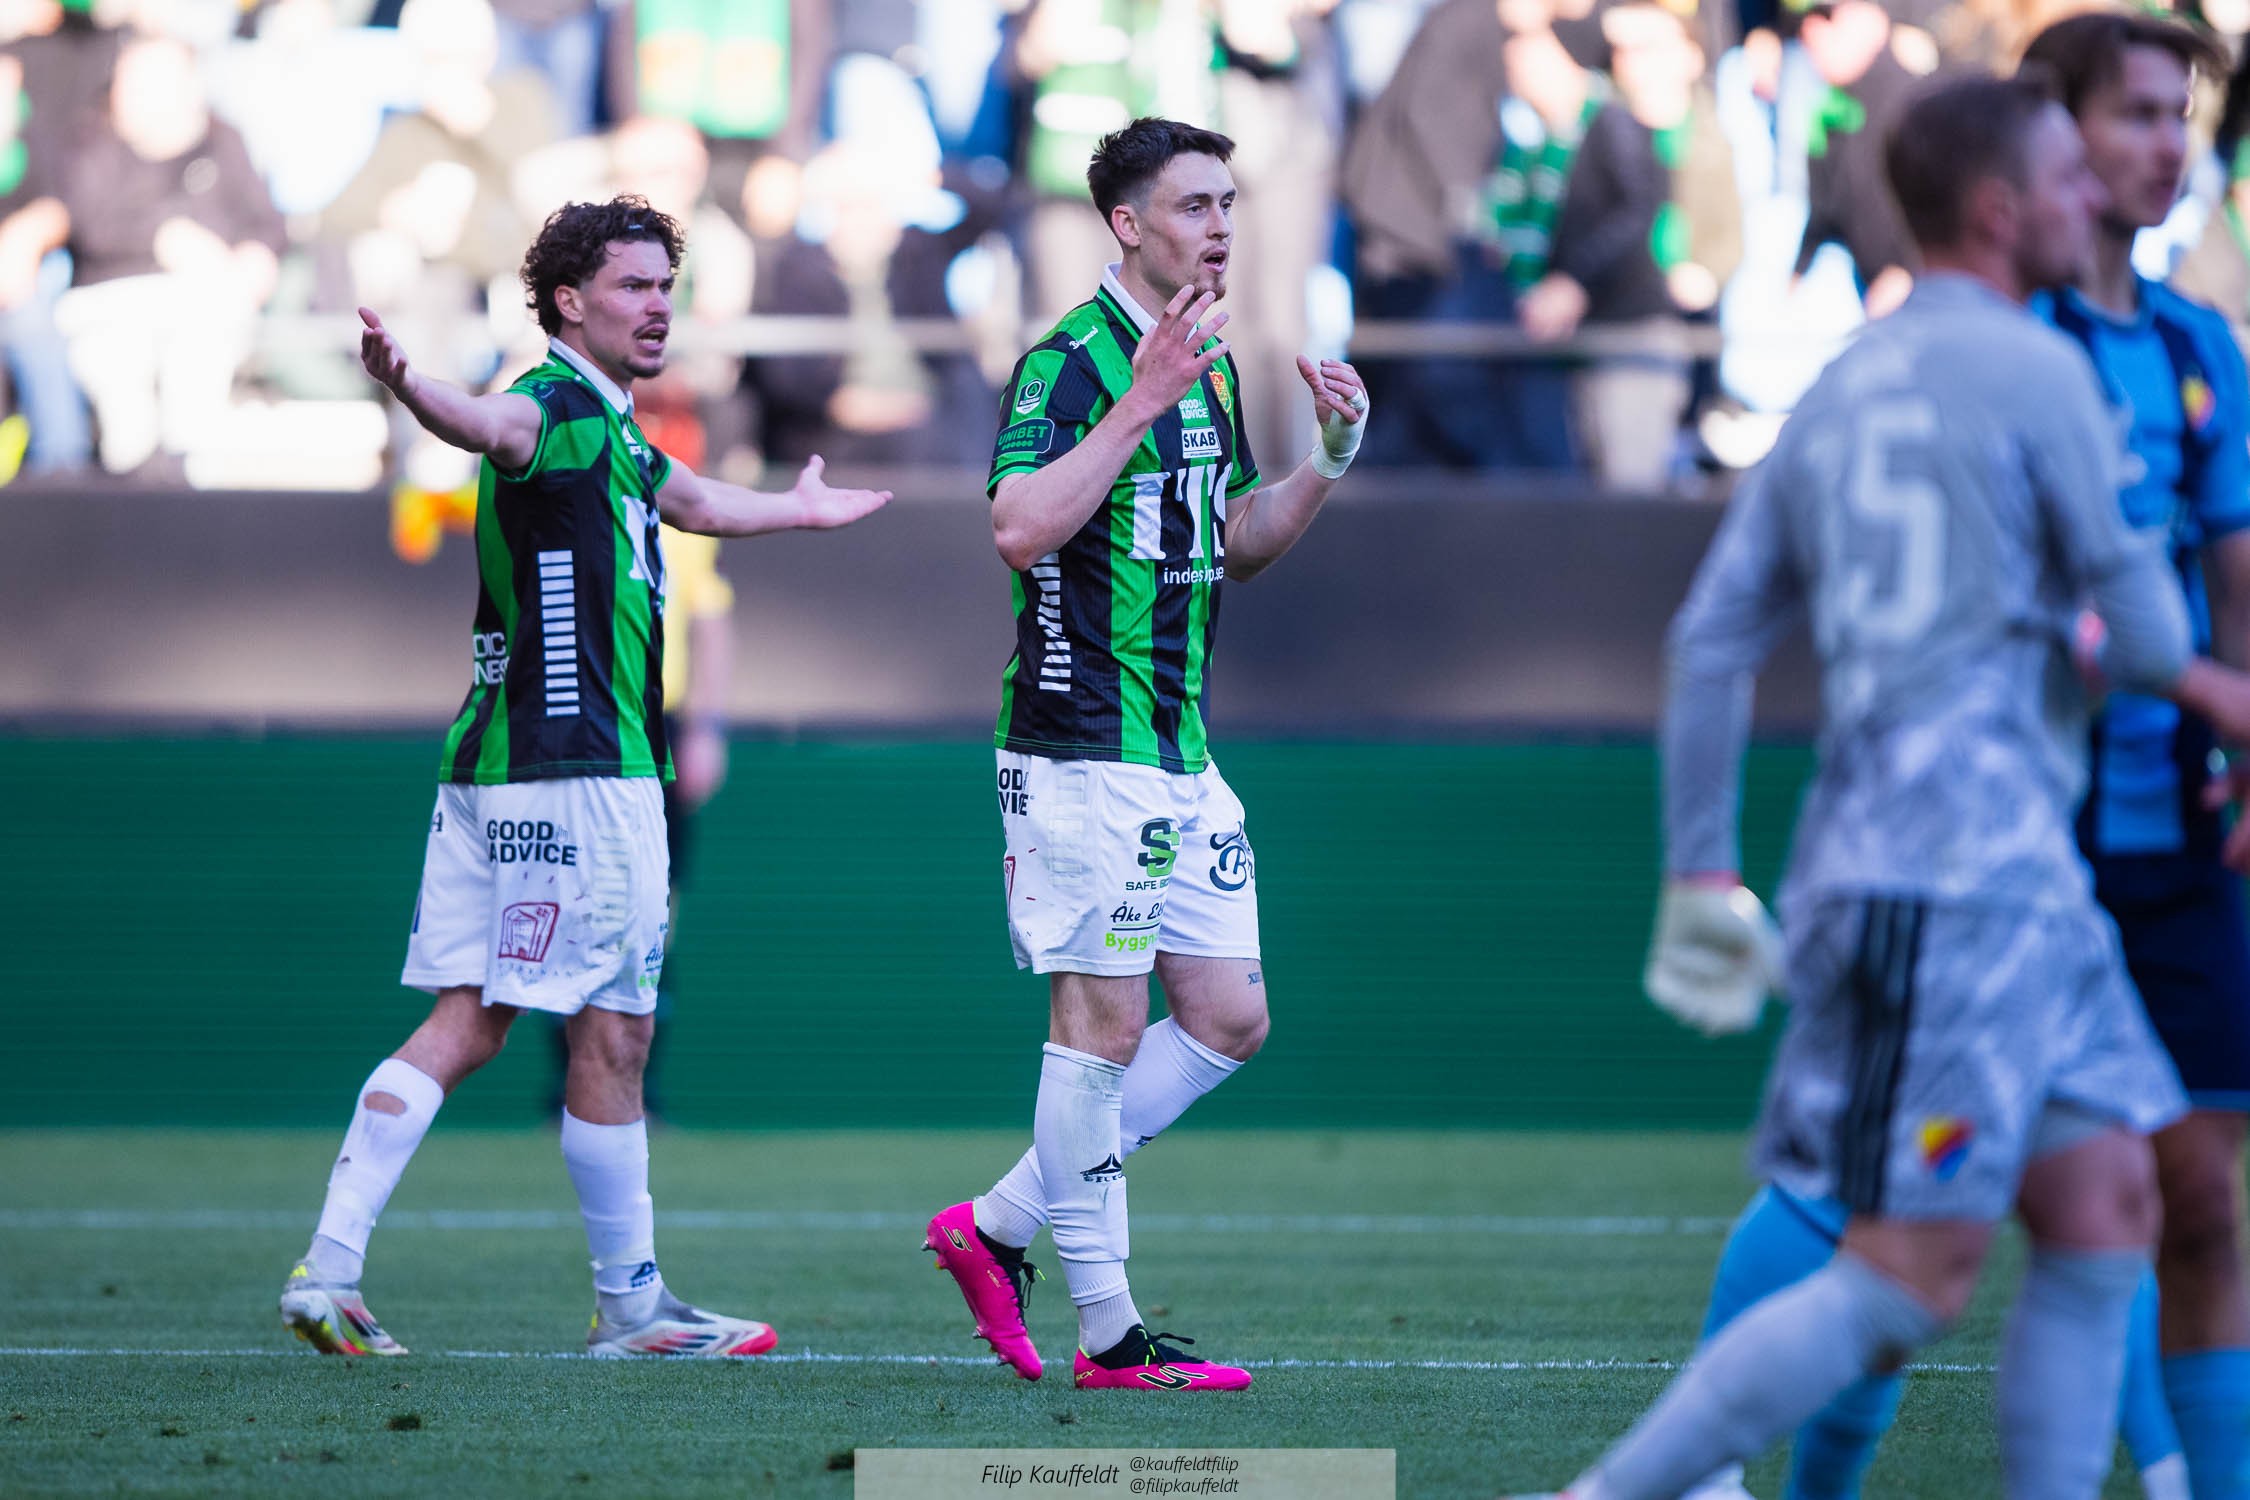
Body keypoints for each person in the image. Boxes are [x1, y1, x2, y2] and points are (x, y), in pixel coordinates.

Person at [1516, 72, 2250, 1499]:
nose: (2091, 198)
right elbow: (2156, 637)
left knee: (2107, 1204)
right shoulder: (2044, 371)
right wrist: (2186, 679)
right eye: (2067, 176)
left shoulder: (1846, 378)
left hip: (1981, 879)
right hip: (1960, 882)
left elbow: (1713, 639)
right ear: (2000, 210)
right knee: (1909, 1273)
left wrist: (1697, 866)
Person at [276, 195, 889, 1359]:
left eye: (665, 286)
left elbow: (691, 500)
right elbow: (488, 425)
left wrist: (799, 514)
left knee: (469, 1020)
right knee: (616, 1035)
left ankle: (329, 1271)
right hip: (586, 772)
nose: (658, 306)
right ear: (568, 300)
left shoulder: (613, 428)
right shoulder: (554, 406)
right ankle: (633, 1307)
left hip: (495, 768)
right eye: (632, 286)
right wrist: (411, 388)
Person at [922, 116, 1368, 1391]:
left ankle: (996, 1226)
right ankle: (1111, 1338)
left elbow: (1234, 542)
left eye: (1228, 203)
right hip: (1081, 748)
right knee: (1101, 1030)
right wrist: (1139, 402)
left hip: (1178, 747)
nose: (1219, 227)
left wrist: (1329, 459)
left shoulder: (1205, 361)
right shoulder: (1071, 361)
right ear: (1126, 225)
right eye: (1192, 205)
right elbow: (1019, 527)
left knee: (1228, 1018)